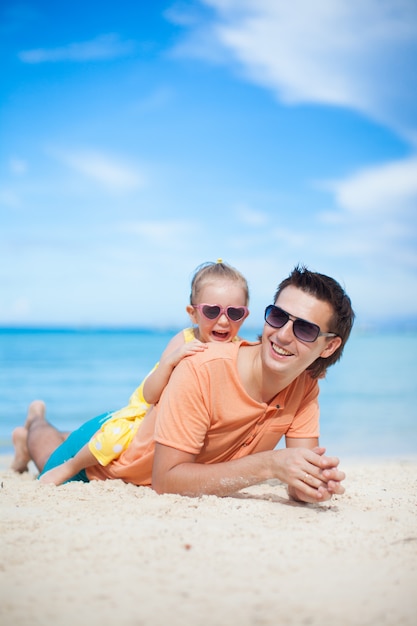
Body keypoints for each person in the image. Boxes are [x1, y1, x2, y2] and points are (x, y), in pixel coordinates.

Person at [13, 265, 354, 504]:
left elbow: (300, 467)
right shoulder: (199, 366)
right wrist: (270, 465)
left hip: (146, 447)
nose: (281, 334)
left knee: (59, 443)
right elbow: (167, 481)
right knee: (49, 457)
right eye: (278, 317)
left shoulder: (305, 386)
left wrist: (311, 483)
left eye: (305, 329)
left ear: (328, 346)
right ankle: (33, 423)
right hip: (111, 458)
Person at [12, 260, 250, 485]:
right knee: (91, 448)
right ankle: (44, 432)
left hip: (163, 440)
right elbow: (149, 395)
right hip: (137, 417)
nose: (223, 321)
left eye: (234, 313)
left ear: (245, 315)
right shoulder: (184, 341)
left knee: (79, 439)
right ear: (193, 313)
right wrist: (171, 362)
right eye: (212, 311)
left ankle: (25, 442)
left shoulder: (239, 351)